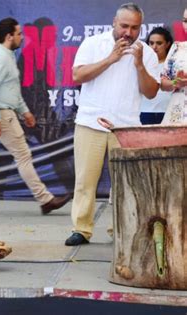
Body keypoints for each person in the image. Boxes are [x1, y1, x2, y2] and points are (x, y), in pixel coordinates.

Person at [65, 3, 159, 246]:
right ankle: (81, 229)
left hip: (126, 126)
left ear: (141, 28)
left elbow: (150, 92)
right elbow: (77, 76)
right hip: (90, 122)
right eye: (124, 26)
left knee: (125, 183)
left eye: (134, 28)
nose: (128, 32)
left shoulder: (146, 52)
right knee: (85, 180)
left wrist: (138, 64)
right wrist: (111, 59)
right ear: (114, 23)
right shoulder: (93, 44)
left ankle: (120, 228)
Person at [0, 17, 70, 215]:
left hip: (3, 112)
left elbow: (10, 89)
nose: (22, 37)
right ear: (9, 36)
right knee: (22, 155)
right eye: (19, 33)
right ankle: (45, 199)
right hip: (1, 113)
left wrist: (24, 111)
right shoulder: (0, 57)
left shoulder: (5, 55)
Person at [139, 27, 173, 124]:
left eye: (159, 43)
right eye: (151, 43)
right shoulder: (142, 63)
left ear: (167, 44)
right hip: (144, 111)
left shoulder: (173, 62)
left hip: (167, 111)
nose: (154, 47)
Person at [160, 8, 187, 124]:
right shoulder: (177, 48)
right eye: (185, 20)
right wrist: (176, 83)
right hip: (178, 114)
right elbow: (162, 83)